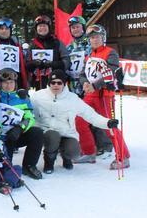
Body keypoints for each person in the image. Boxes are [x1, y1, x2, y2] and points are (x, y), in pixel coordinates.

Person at [29, 70, 119, 174]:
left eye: (59, 83)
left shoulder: (72, 98)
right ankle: (49, 161)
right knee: (52, 136)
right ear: (49, 84)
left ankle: (67, 158)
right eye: (53, 83)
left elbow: (90, 115)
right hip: (47, 132)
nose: (56, 85)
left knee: (74, 152)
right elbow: (26, 109)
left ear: (64, 84)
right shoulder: (37, 96)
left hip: (67, 133)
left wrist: (107, 123)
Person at [74, 25, 130, 169]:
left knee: (108, 125)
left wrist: (95, 85)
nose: (95, 40)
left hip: (104, 95)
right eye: (92, 37)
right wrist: (85, 83)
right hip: (90, 95)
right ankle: (89, 152)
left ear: (103, 38)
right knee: (80, 121)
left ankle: (123, 157)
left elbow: (111, 72)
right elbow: (82, 74)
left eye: (97, 37)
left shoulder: (110, 53)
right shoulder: (90, 55)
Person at [0, 68, 44, 179]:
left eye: (11, 82)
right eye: (5, 82)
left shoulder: (22, 98)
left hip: (16, 134)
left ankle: (29, 165)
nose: (8, 85)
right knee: (6, 168)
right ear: (0, 83)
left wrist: (19, 128)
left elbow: (30, 118)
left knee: (37, 133)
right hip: (0, 138)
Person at [25, 15, 70, 90]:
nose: (42, 28)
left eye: (44, 26)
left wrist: (53, 64)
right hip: (37, 81)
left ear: (49, 28)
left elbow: (67, 61)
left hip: (54, 81)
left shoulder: (57, 43)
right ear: (36, 29)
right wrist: (33, 63)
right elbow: (26, 63)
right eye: (40, 26)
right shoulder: (33, 44)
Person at [66, 16, 91, 97]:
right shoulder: (69, 47)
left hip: (88, 83)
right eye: (73, 28)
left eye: (77, 27)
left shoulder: (91, 43)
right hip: (73, 84)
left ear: (83, 28)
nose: (75, 29)